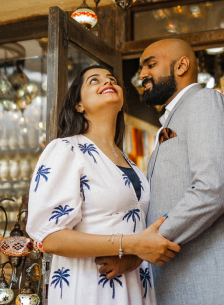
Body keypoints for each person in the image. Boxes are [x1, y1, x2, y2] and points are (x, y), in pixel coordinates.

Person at [99, 39, 224, 305]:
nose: (142, 74)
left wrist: (141, 250)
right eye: (141, 67)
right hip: (179, 278)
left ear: (181, 65)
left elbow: (211, 190)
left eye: (151, 64)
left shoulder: (206, 102)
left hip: (214, 277)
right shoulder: (173, 118)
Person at [26, 65, 180, 304]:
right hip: (89, 287)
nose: (107, 82)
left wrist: (135, 255)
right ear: (79, 105)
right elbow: (49, 237)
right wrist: (130, 245)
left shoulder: (131, 163)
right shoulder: (66, 149)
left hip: (136, 286)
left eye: (112, 79)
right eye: (94, 81)